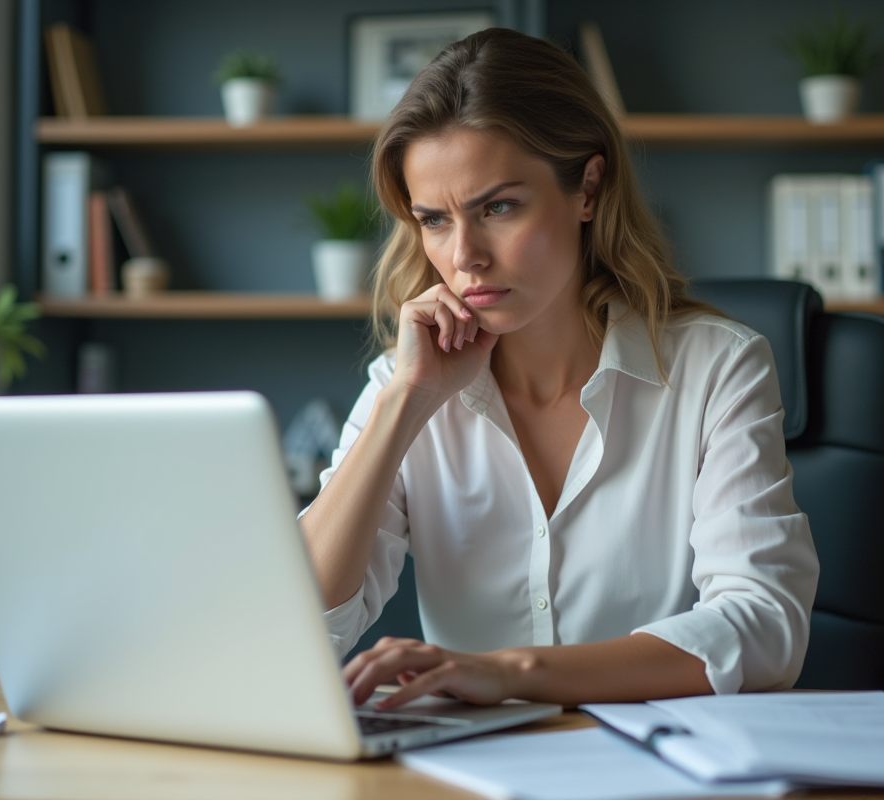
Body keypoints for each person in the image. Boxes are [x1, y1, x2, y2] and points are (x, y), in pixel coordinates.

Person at [299, 28, 819, 710]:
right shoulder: (403, 385)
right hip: (473, 763)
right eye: (434, 220)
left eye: (498, 207)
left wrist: (515, 673)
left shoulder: (718, 368)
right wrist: (404, 406)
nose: (464, 256)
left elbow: (764, 626)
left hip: (659, 756)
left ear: (588, 189)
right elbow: (302, 626)